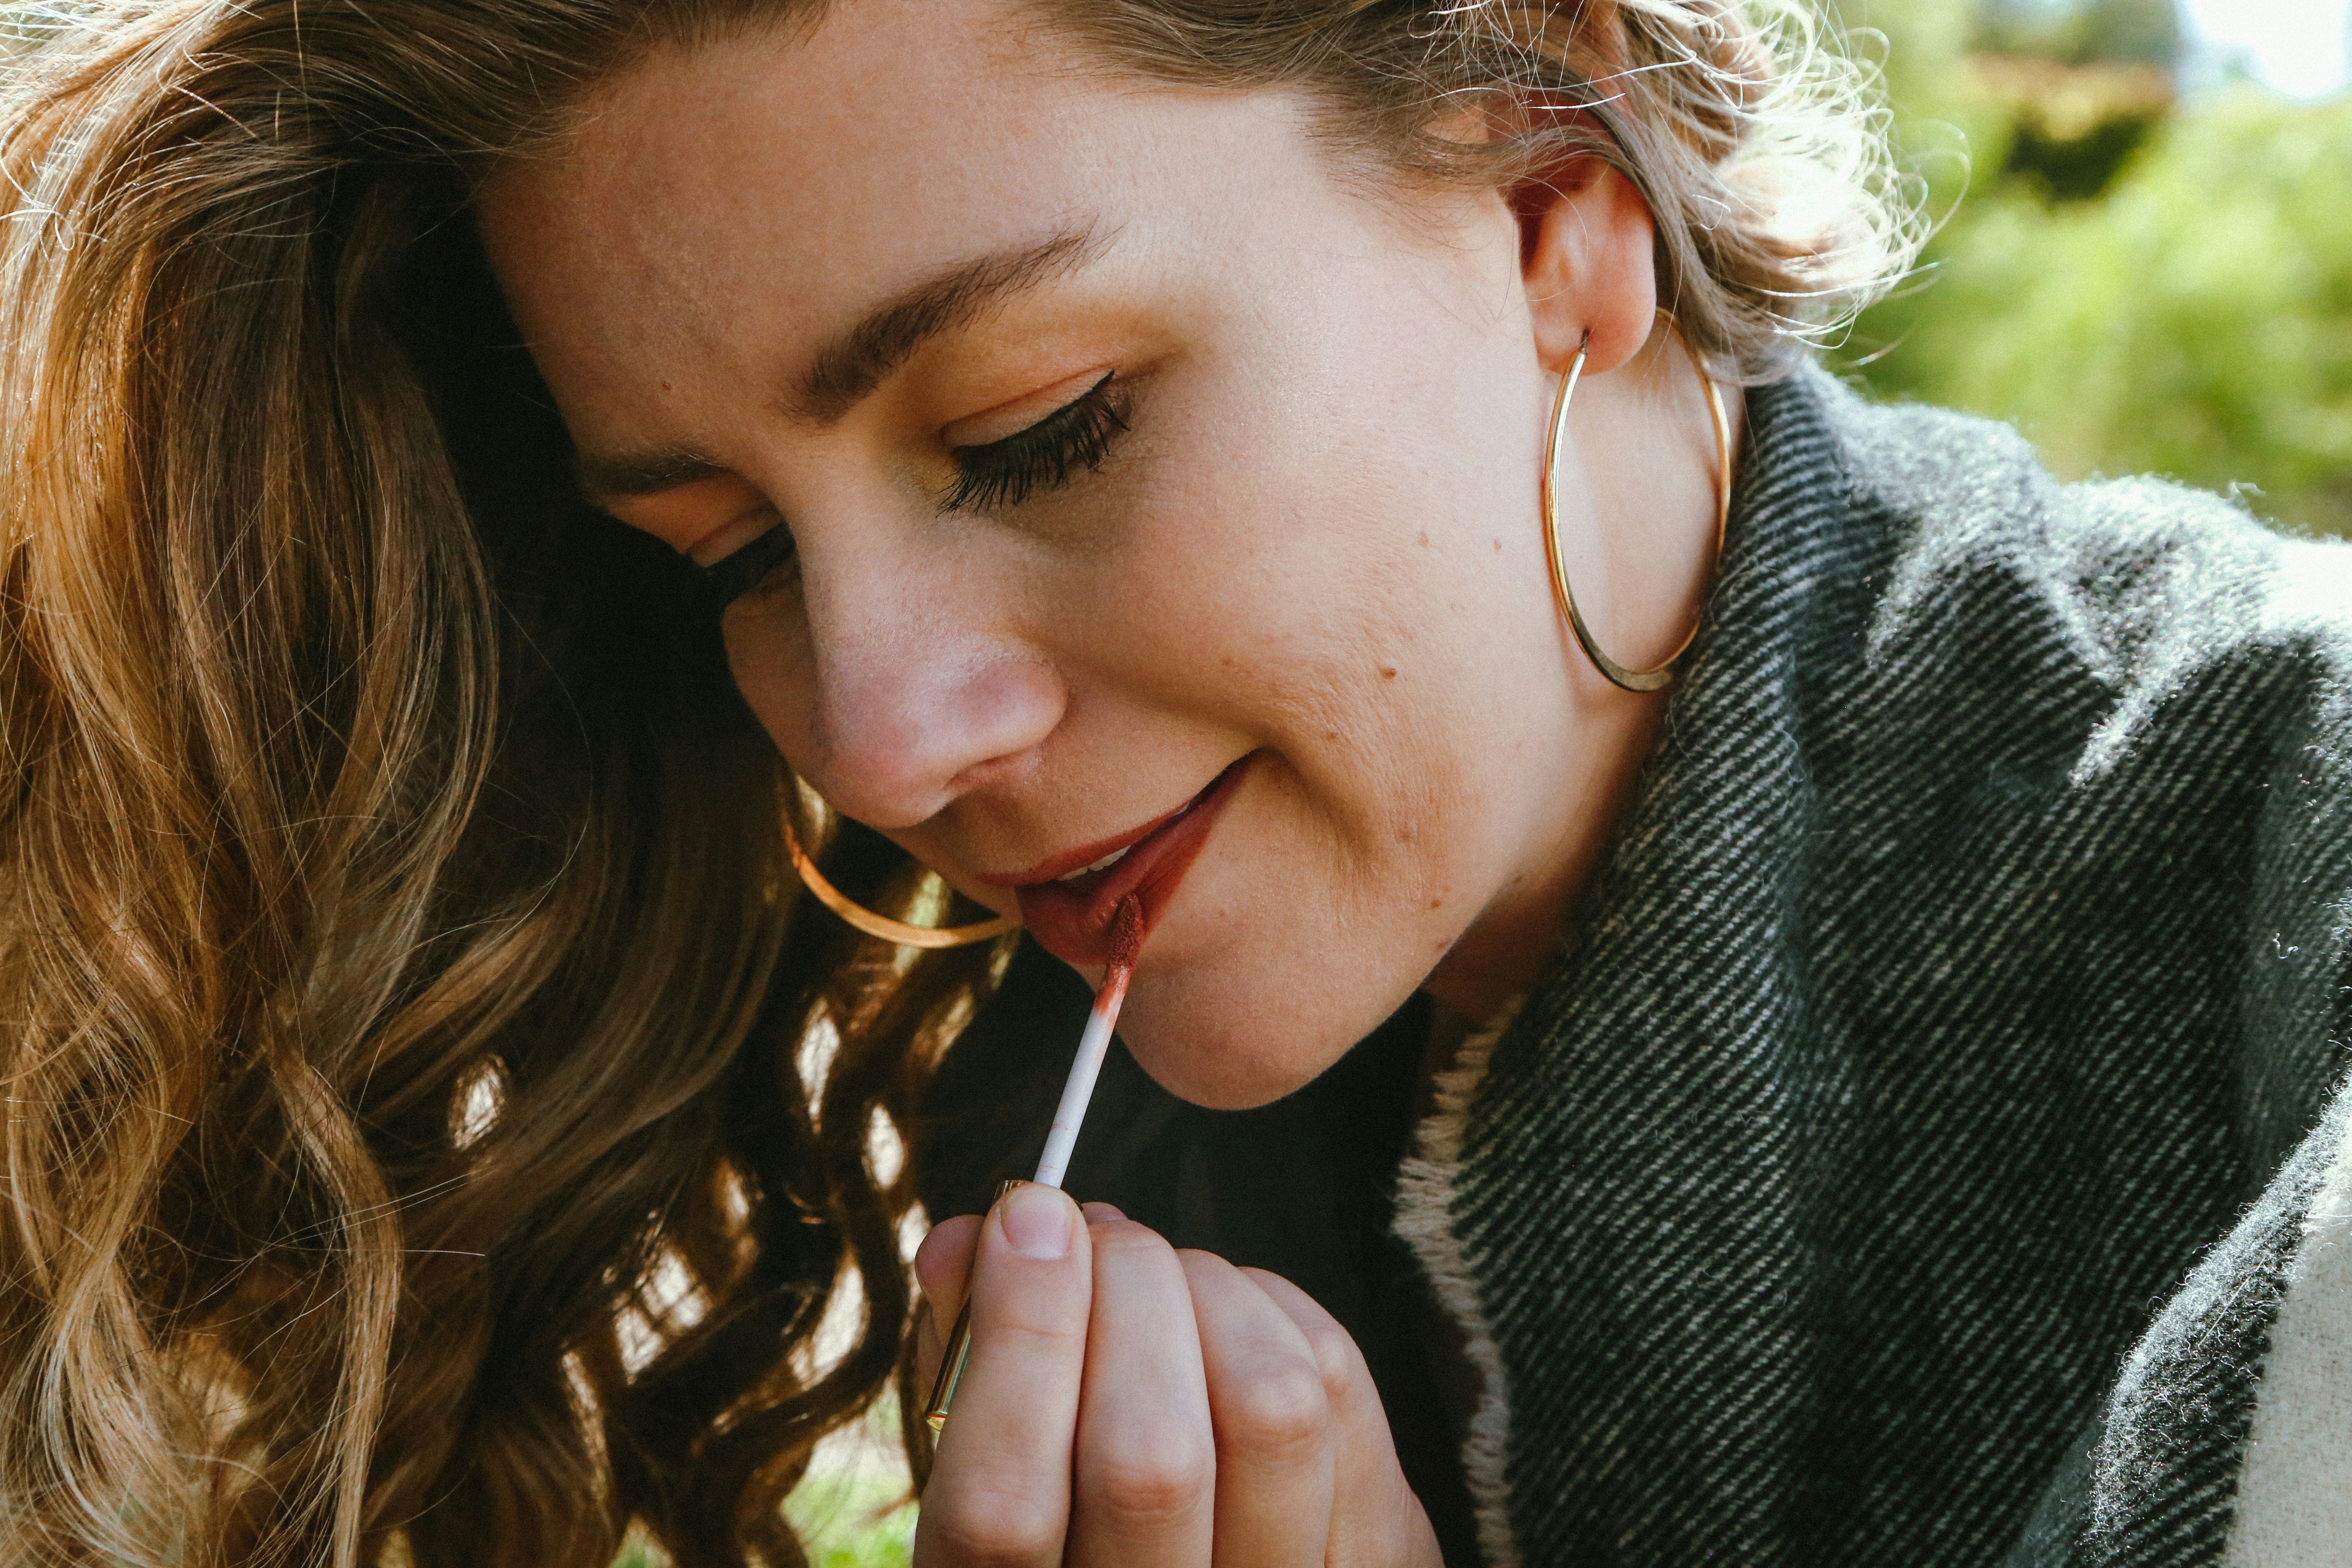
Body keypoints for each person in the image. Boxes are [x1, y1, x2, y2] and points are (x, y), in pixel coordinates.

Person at [3, 0, 2348, 1564]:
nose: (887, 736)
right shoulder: (1013, 1098)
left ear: (1557, 181)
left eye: (1041, 430)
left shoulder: (2289, 916)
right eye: (724, 556)